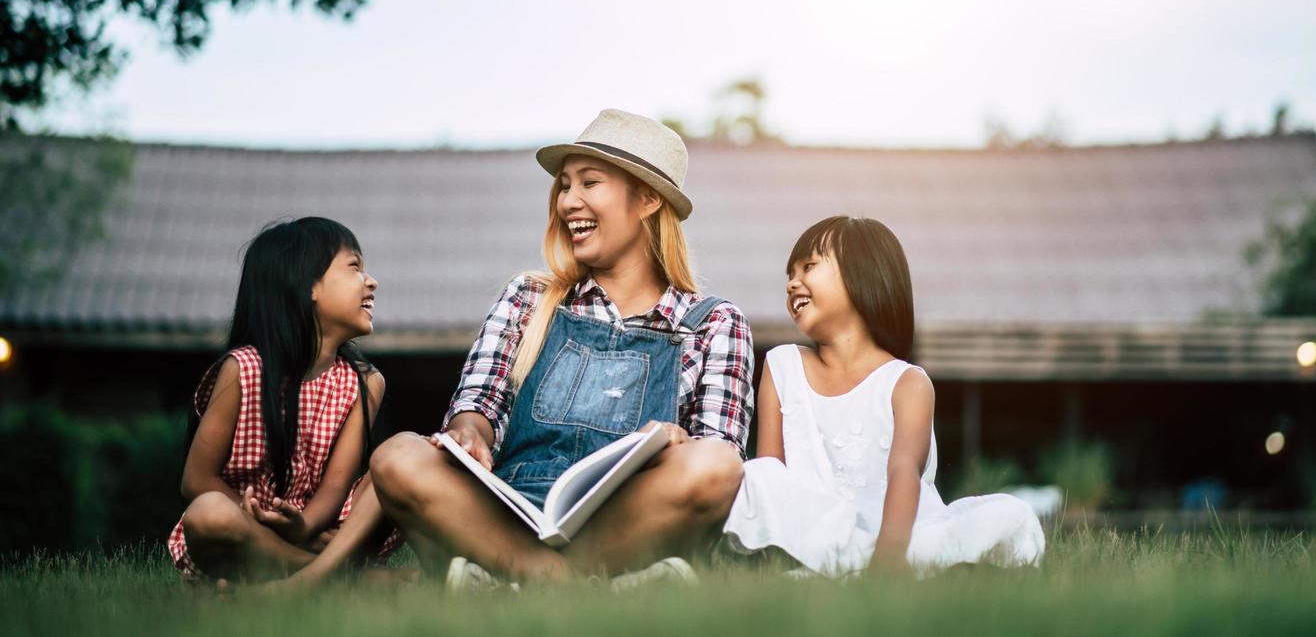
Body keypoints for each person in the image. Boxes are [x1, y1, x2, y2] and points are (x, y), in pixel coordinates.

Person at [370, 109, 754, 586]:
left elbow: (720, 452)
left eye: (589, 183)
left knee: (714, 464)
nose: (568, 201)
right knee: (399, 456)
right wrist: (469, 432)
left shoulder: (714, 323)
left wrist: (676, 443)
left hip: (630, 519)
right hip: (508, 509)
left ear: (648, 199)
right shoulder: (527, 299)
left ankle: (510, 579)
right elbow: (478, 403)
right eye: (565, 186)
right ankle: (585, 583)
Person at [723, 215, 1045, 576]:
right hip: (815, 531)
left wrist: (886, 563)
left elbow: (904, 472)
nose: (792, 283)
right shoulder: (783, 365)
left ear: (863, 276)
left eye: (808, 267)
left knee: (1010, 515)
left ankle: (872, 564)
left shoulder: (907, 383)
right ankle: (829, 561)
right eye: (789, 275)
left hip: (899, 534)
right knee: (757, 474)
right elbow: (773, 476)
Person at [167, 217, 395, 582]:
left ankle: (299, 570)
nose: (371, 281)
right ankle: (336, 575)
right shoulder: (242, 371)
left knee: (395, 465)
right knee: (206, 513)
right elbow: (196, 479)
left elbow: (337, 486)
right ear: (308, 286)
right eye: (355, 267)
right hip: (246, 525)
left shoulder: (364, 383)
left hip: (316, 526)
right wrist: (262, 520)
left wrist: (303, 525)